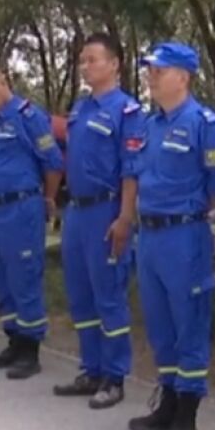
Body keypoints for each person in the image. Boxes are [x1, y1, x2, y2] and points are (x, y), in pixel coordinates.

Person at [126, 42, 215, 430]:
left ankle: (187, 416)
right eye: (149, 70)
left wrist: (187, 212)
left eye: (158, 70)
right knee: (160, 324)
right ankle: (167, 402)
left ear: (183, 77)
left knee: (189, 321)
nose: (151, 76)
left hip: (183, 236)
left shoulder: (204, 124)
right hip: (149, 236)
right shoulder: (149, 125)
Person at [53, 33, 143, 409]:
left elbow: (132, 171)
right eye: (82, 60)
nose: (85, 66)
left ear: (115, 64)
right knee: (80, 293)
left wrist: (125, 216)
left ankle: (114, 375)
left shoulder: (127, 111)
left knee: (109, 295)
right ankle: (90, 367)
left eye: (93, 59)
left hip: (107, 212)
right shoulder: (80, 109)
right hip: (77, 211)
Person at [0, 63, 64, 379]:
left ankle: (30, 348)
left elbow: (52, 162)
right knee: (1, 278)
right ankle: (13, 339)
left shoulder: (28, 116)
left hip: (21, 208)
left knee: (24, 277)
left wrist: (48, 198)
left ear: (3, 82)